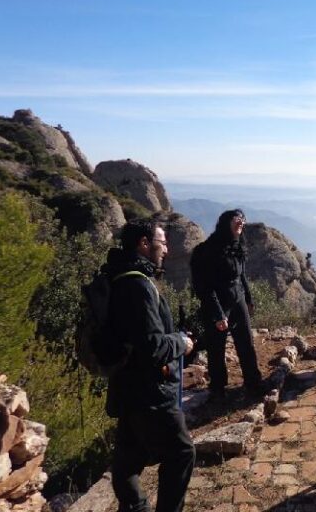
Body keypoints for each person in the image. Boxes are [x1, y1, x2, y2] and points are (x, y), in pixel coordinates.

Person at [104, 219, 195, 512]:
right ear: (144, 243)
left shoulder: (119, 277)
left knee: (128, 463)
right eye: (162, 242)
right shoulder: (137, 285)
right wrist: (182, 342)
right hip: (151, 393)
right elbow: (152, 348)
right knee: (181, 453)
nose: (167, 249)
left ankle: (134, 507)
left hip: (128, 389)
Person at [190, 209, 264, 399]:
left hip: (237, 299)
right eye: (236, 218)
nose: (241, 222)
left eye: (243, 219)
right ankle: (217, 389)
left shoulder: (237, 246)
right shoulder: (207, 250)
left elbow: (241, 276)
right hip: (217, 303)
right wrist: (218, 314)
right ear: (225, 223)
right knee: (216, 348)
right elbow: (203, 286)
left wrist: (248, 300)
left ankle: (253, 382)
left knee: (246, 342)